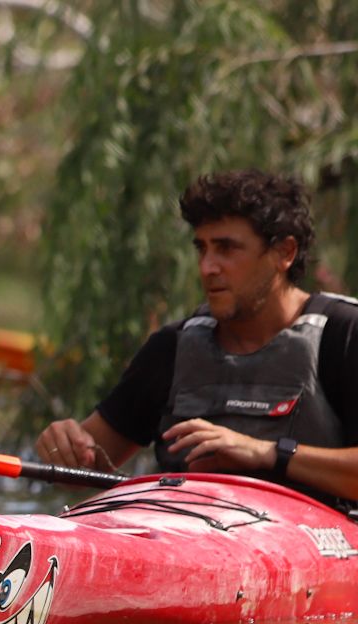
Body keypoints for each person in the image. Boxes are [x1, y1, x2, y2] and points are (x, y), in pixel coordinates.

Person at [37, 169, 358, 504]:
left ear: (284, 253)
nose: (207, 267)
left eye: (226, 248)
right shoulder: (172, 347)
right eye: (202, 248)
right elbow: (88, 465)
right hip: (188, 538)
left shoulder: (345, 336)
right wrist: (65, 447)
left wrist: (267, 453)